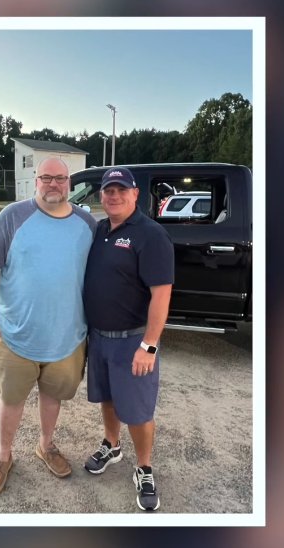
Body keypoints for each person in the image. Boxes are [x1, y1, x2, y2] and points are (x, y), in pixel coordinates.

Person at [0, 157, 97, 495]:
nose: (54, 184)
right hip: (14, 334)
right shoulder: (12, 217)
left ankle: (46, 445)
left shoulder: (87, 224)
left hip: (67, 337)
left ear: (69, 184)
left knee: (53, 395)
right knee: (11, 399)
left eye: (60, 178)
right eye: (47, 178)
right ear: (36, 181)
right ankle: (3, 456)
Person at [82, 167, 174, 511]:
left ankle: (144, 467)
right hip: (99, 337)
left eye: (122, 190)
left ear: (136, 194)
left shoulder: (151, 235)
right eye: (108, 191)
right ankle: (112, 445)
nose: (114, 196)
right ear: (101, 196)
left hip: (133, 341)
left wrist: (149, 345)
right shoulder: (100, 229)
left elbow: (161, 296)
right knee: (108, 397)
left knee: (137, 410)